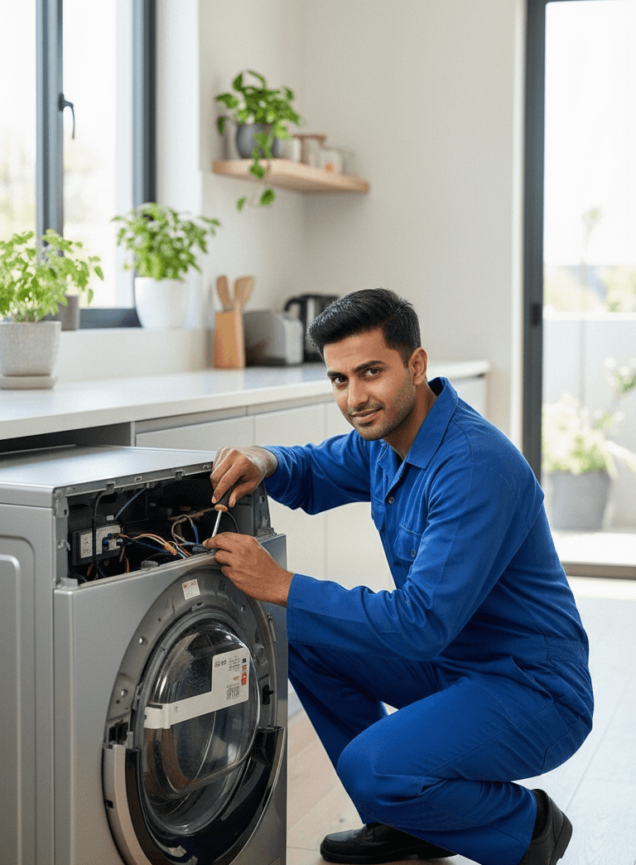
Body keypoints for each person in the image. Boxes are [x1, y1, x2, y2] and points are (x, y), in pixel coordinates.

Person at [205, 288, 593, 865]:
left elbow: (421, 625)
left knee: (372, 765)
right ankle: (413, 821)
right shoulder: (389, 438)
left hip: (531, 688)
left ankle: (527, 828)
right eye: (340, 380)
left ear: (416, 364)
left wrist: (281, 584)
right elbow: (314, 466)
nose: (355, 398)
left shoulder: (473, 466)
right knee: (305, 634)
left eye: (370, 372)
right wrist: (266, 459)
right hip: (454, 664)